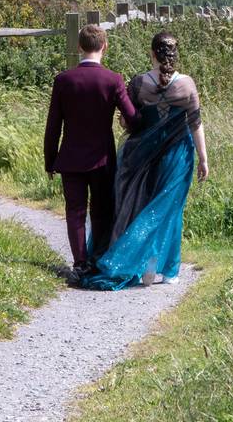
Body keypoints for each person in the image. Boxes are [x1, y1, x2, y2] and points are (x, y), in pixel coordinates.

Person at [81, 31, 209, 290]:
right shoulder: (187, 85)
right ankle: (169, 269)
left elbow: (128, 120)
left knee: (144, 207)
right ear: (176, 54)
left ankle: (144, 266)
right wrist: (204, 159)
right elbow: (195, 124)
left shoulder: (139, 83)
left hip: (142, 155)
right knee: (170, 209)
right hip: (178, 155)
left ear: (151, 53)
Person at [43, 24, 138, 282]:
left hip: (71, 157)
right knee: (101, 210)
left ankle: (80, 264)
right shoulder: (113, 80)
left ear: (78, 47)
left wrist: (49, 160)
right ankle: (98, 258)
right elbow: (132, 117)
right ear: (104, 46)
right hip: (102, 158)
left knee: (75, 211)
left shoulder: (63, 80)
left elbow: (53, 125)